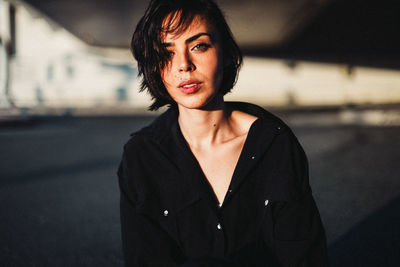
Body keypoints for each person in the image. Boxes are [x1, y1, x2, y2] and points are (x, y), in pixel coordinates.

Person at [117, 0, 328, 266]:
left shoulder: (273, 144)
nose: (183, 65)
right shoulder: (142, 157)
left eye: (199, 46)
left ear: (226, 53)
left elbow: (304, 256)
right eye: (166, 52)